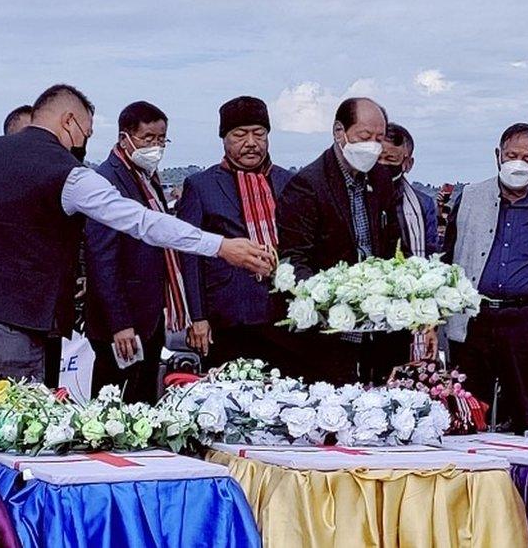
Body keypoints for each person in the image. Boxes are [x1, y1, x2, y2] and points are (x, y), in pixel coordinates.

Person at [0, 84, 274, 404]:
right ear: (68, 122)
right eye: (86, 133)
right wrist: (221, 246)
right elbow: (141, 222)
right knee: (12, 436)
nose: (84, 142)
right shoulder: (71, 175)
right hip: (17, 327)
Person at [445, 122, 528, 433]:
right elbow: (447, 257)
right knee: (467, 409)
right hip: (475, 317)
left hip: (525, 320)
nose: (517, 163)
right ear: (497, 156)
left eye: (526, 158)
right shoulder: (469, 199)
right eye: (511, 155)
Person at [276, 97, 401, 384]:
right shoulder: (308, 184)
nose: (372, 145)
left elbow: (392, 244)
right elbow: (294, 259)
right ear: (339, 132)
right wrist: (332, 300)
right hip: (326, 332)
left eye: (379, 138)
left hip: (377, 328)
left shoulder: (380, 178)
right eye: (364, 137)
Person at [178, 96, 297, 373]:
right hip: (228, 317)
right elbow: (190, 256)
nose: (251, 143)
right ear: (224, 139)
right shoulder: (200, 185)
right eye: (240, 135)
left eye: (259, 134)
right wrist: (197, 317)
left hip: (283, 315)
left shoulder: (289, 182)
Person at [84, 101, 181, 404]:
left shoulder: (146, 177)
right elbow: (103, 260)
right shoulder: (106, 180)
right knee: (114, 406)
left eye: (161, 139)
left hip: (150, 317)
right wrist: (120, 323)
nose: (155, 146)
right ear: (125, 137)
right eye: (148, 138)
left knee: (143, 401)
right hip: (122, 322)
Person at [379, 123, 438, 257]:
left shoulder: (423, 205)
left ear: (408, 164)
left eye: (390, 159)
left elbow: (430, 256)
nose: (382, 164)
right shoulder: (352, 198)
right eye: (376, 158)